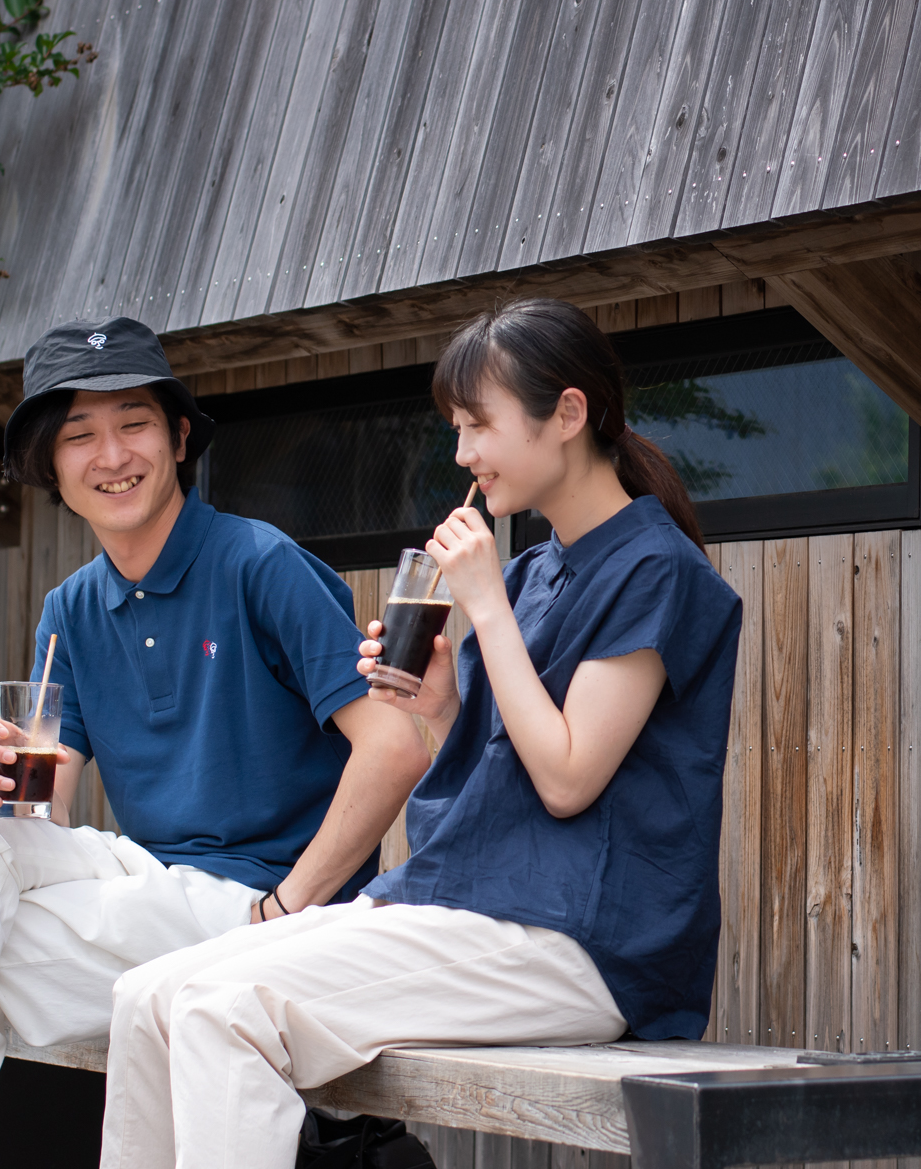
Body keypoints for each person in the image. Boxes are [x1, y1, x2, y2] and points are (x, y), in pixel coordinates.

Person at [98, 298, 744, 1169]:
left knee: (223, 1009)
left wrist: (485, 607)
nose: (463, 454)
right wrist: (443, 702)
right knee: (147, 996)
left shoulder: (656, 569)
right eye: (455, 428)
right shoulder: (532, 572)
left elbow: (566, 778)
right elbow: (497, 768)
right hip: (475, 908)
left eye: (477, 425)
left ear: (569, 413)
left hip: (582, 942)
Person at [0, 318, 427, 1169]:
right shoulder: (70, 610)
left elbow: (395, 748)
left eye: (133, 423)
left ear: (180, 436)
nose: (111, 454)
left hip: (256, 915)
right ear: (51, 466)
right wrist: (11, 776)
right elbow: (40, 822)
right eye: (79, 435)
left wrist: (288, 911)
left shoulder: (259, 563)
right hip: (155, 893)